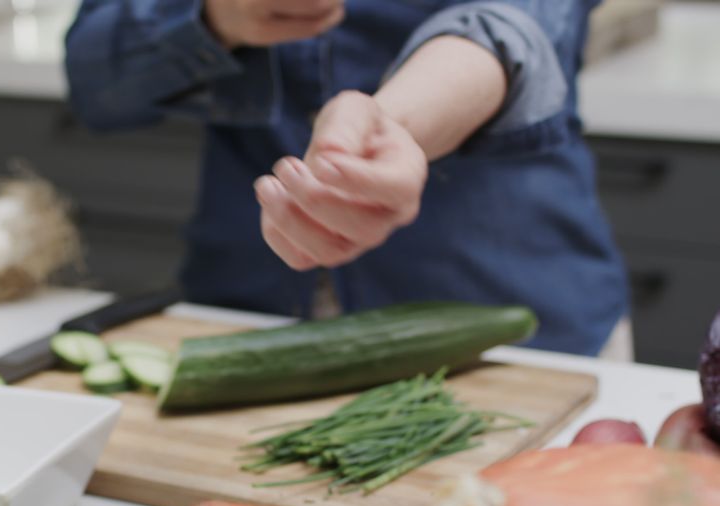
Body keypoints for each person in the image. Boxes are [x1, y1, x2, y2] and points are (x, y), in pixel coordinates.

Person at [64, 0, 630, 358]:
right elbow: (95, 76)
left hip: (509, 327)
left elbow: (518, 23)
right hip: (251, 322)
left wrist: (392, 128)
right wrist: (215, 18)